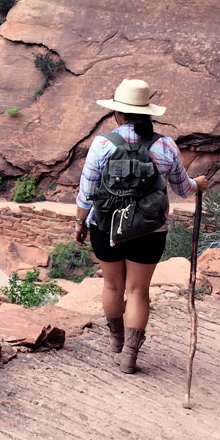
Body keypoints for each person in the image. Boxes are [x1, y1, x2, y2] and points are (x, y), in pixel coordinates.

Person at [75, 78, 207, 374]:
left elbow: (87, 192)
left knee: (112, 285)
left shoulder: (102, 144)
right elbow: (183, 188)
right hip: (150, 231)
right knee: (138, 291)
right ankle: (130, 357)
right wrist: (198, 184)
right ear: (148, 112)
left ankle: (116, 343)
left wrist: (79, 224)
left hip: (107, 227)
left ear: (117, 113)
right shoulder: (166, 145)